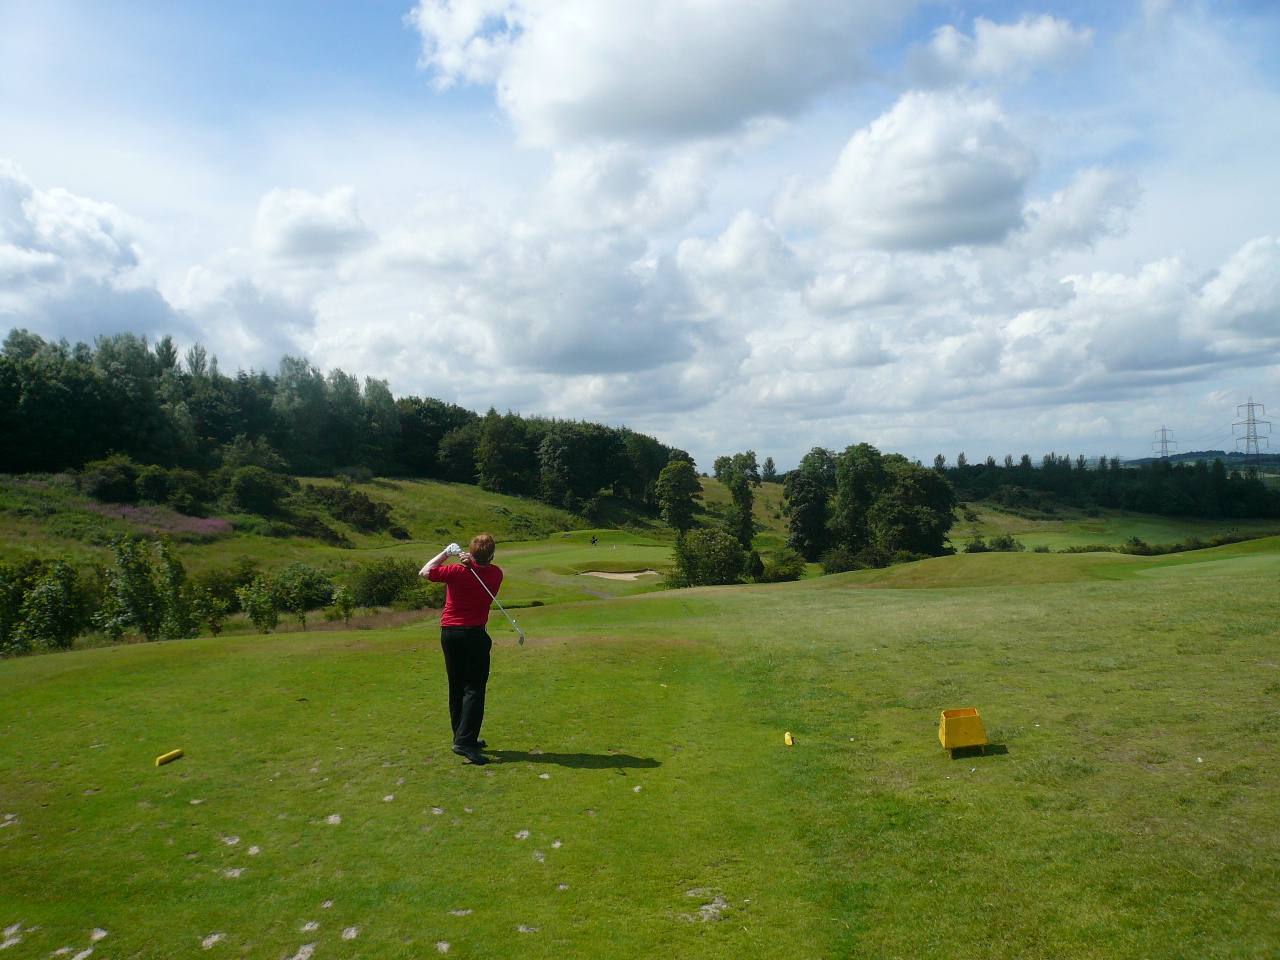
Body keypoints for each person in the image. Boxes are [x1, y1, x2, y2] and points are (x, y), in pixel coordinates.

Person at [420, 533, 504, 765]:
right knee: (474, 689)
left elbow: (425, 571)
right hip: (474, 634)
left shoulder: (455, 572)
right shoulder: (496, 573)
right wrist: (472, 563)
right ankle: (464, 742)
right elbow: (482, 569)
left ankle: (462, 735)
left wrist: (447, 553)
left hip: (450, 634)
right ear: (492, 555)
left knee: (457, 687)